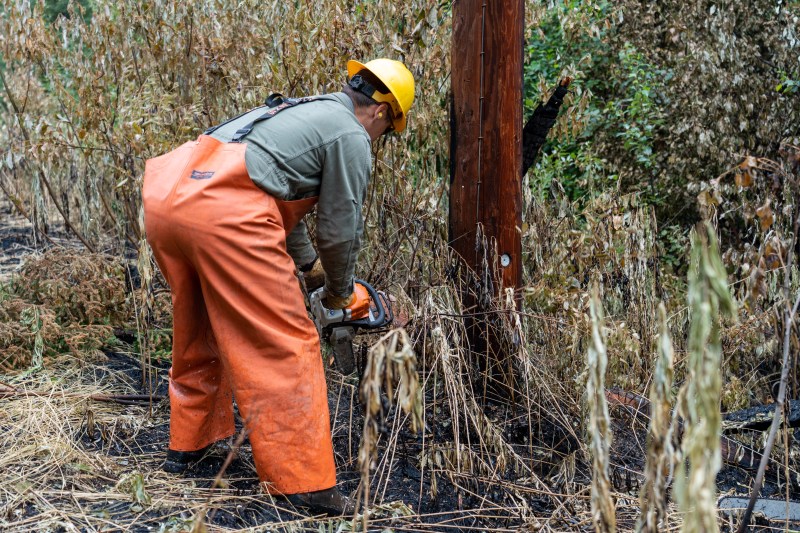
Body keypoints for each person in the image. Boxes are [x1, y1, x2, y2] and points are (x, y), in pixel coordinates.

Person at [142, 58, 415, 515]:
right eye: (387, 130)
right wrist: (340, 295)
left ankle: (191, 444)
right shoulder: (350, 134)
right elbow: (339, 227)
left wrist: (308, 267)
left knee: (201, 327)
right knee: (285, 342)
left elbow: (271, 189)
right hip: (222, 212)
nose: (379, 139)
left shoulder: (300, 111)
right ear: (383, 113)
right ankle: (303, 483)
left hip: (170, 198)